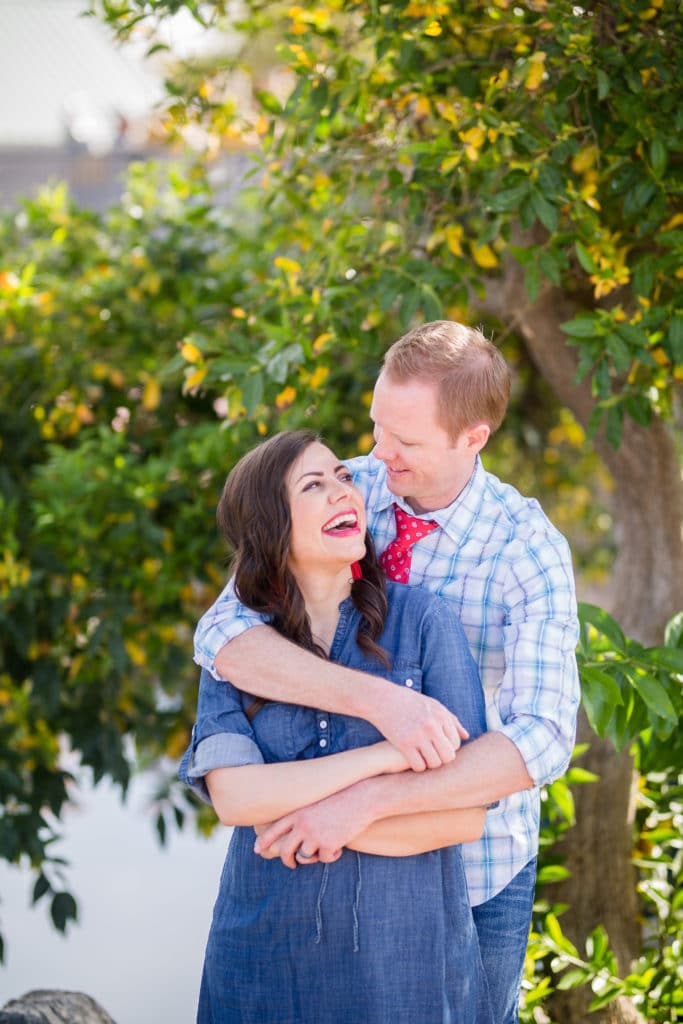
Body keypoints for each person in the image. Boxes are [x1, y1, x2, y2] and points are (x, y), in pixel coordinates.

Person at [194, 321, 581, 1024]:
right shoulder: (349, 489)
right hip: (316, 868)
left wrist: (365, 802)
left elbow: (540, 739)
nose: (377, 454)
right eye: (376, 426)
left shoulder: (526, 551)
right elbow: (225, 633)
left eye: (405, 441)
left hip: (468, 868)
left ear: (473, 438)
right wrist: (386, 707)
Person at [180, 430, 493, 1024]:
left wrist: (324, 816)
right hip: (262, 963)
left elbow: (463, 813)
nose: (343, 494)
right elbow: (236, 797)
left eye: (344, 478)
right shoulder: (240, 648)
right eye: (314, 485)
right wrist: (383, 758)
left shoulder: (425, 623)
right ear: (272, 525)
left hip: (405, 969)